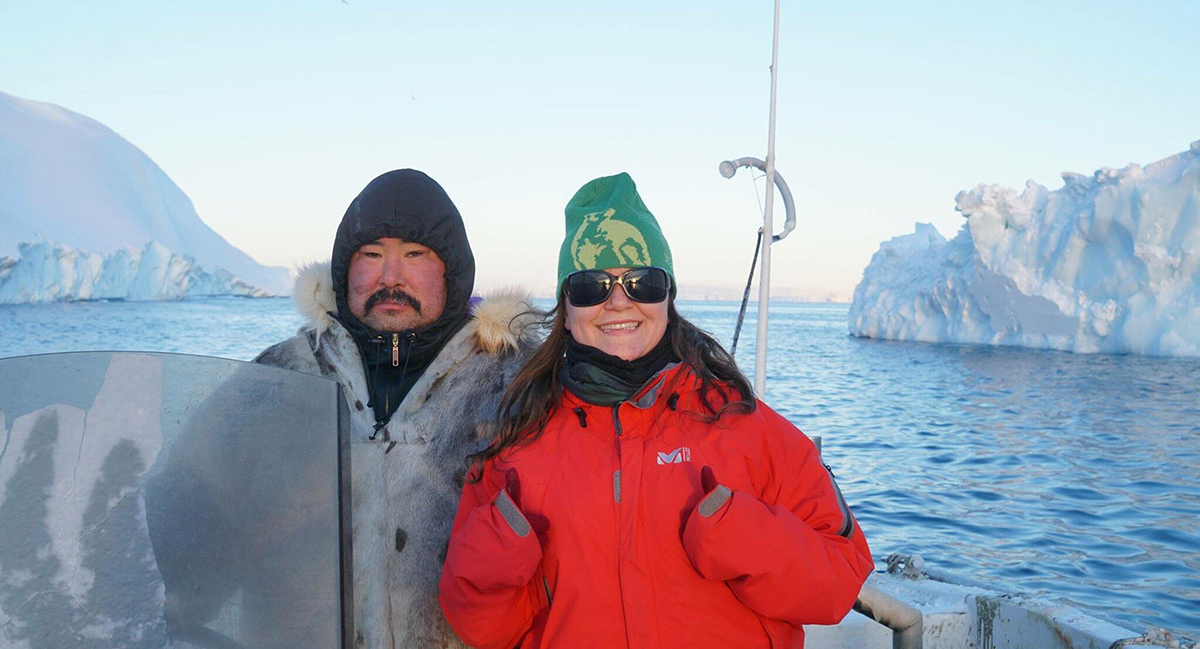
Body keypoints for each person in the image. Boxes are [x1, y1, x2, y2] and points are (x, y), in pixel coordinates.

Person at [438, 172, 873, 648]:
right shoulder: (518, 440)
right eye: (591, 286)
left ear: (669, 296)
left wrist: (743, 538)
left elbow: (839, 578)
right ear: (566, 307)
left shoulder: (745, 426)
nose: (618, 301)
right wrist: (492, 565)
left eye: (642, 282)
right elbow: (481, 627)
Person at [255, 169, 537, 647]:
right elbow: (192, 510)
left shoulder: (517, 381)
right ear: (346, 268)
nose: (390, 277)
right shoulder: (283, 375)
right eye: (371, 255)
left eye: (414, 254)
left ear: (451, 270)